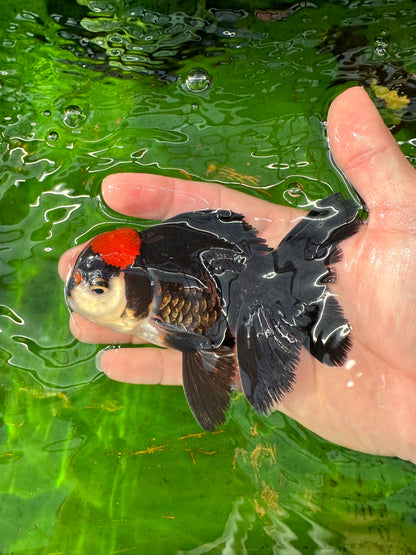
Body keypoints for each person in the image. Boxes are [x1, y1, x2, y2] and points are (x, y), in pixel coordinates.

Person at [59, 87, 416, 464]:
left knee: (214, 335)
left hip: (228, 296)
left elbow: (203, 341)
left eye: (99, 289)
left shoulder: (165, 306)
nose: (85, 297)